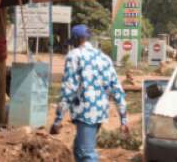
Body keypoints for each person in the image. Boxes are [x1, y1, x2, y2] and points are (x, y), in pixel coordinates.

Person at [50, 25, 129, 162]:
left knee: (86, 153)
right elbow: (117, 88)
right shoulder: (105, 58)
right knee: (78, 150)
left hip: (85, 111)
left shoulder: (74, 56)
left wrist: (58, 120)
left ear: (76, 39)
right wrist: (123, 118)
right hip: (100, 112)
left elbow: (69, 88)